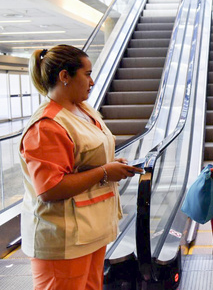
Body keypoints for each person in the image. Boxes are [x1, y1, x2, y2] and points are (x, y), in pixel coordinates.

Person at [19, 45, 143, 290]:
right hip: (63, 240)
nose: (93, 81)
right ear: (65, 76)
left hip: (89, 231)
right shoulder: (47, 125)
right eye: (86, 74)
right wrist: (105, 172)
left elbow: (83, 159)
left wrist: (109, 164)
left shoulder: (83, 110)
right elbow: (50, 189)